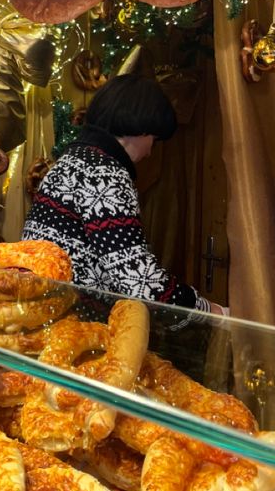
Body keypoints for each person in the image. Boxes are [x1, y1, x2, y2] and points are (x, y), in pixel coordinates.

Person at [22, 73, 225, 315]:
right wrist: (210, 311)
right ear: (140, 127)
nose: (150, 151)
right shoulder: (104, 173)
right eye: (154, 139)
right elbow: (140, 283)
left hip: (44, 313)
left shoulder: (69, 162)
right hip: (76, 325)